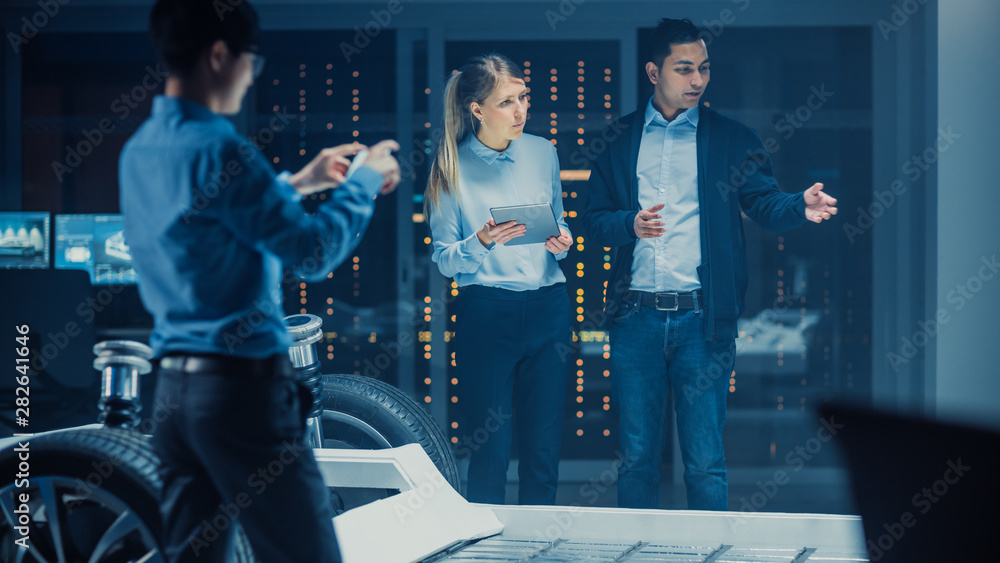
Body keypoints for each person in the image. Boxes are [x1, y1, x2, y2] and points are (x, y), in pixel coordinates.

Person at [119, 1, 400, 561]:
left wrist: (296, 182)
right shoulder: (222, 148)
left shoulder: (139, 150)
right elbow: (313, 252)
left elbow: (205, 224)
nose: (252, 76)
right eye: (252, 60)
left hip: (175, 395)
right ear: (221, 55)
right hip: (242, 394)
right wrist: (363, 184)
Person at [584, 18, 837, 511]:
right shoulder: (618, 138)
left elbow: (763, 202)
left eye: (703, 68)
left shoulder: (731, 139)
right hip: (635, 319)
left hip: (704, 321)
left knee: (705, 460)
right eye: (684, 69)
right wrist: (629, 225)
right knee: (636, 458)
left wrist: (797, 206)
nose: (697, 79)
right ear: (654, 71)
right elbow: (594, 220)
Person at [426, 53, 574, 505]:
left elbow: (560, 221)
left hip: (549, 307)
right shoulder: (450, 168)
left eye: (523, 98)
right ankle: (488, 546)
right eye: (507, 102)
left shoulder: (543, 151)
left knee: (544, 445)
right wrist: (483, 240)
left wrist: (564, 239)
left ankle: (540, 546)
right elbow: (445, 261)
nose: (520, 111)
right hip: (486, 314)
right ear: (477, 109)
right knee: (490, 447)